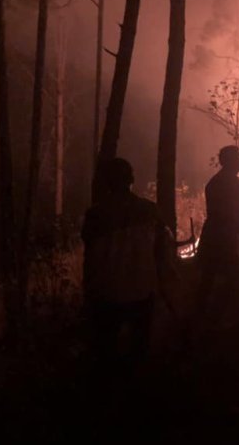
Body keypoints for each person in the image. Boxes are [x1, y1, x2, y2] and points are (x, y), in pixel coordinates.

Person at [81, 158, 173, 373]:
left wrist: (88, 292)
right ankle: (136, 394)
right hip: (142, 292)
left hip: (107, 294)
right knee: (139, 351)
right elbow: (161, 253)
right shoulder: (150, 211)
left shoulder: (95, 215)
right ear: (131, 180)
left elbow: (90, 256)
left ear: (105, 182)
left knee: (105, 354)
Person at [196, 146, 239, 319]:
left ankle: (199, 317)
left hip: (211, 234)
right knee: (231, 279)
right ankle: (216, 318)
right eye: (238, 156)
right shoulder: (236, 185)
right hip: (224, 236)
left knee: (207, 279)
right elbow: (238, 215)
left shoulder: (214, 182)